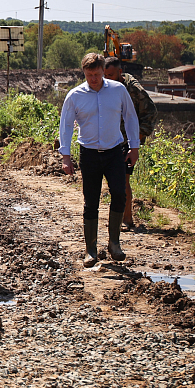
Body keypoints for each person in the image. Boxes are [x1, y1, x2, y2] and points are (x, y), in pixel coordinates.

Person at [59, 53, 140, 268]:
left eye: (96, 74)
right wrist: (65, 156)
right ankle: (91, 250)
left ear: (104, 71)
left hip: (115, 151)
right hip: (89, 154)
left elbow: (130, 117)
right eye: (89, 75)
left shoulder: (118, 90)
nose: (93, 79)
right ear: (84, 73)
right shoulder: (75, 95)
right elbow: (66, 125)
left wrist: (134, 147)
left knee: (120, 193)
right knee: (91, 201)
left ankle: (114, 243)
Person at [103, 57, 157, 229]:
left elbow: (151, 111)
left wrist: (138, 138)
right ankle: (119, 217)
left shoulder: (132, 89)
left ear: (120, 72)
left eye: (110, 75)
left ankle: (126, 219)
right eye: (105, 75)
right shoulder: (104, 87)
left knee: (123, 180)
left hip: (127, 139)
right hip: (110, 139)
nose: (106, 78)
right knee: (114, 181)